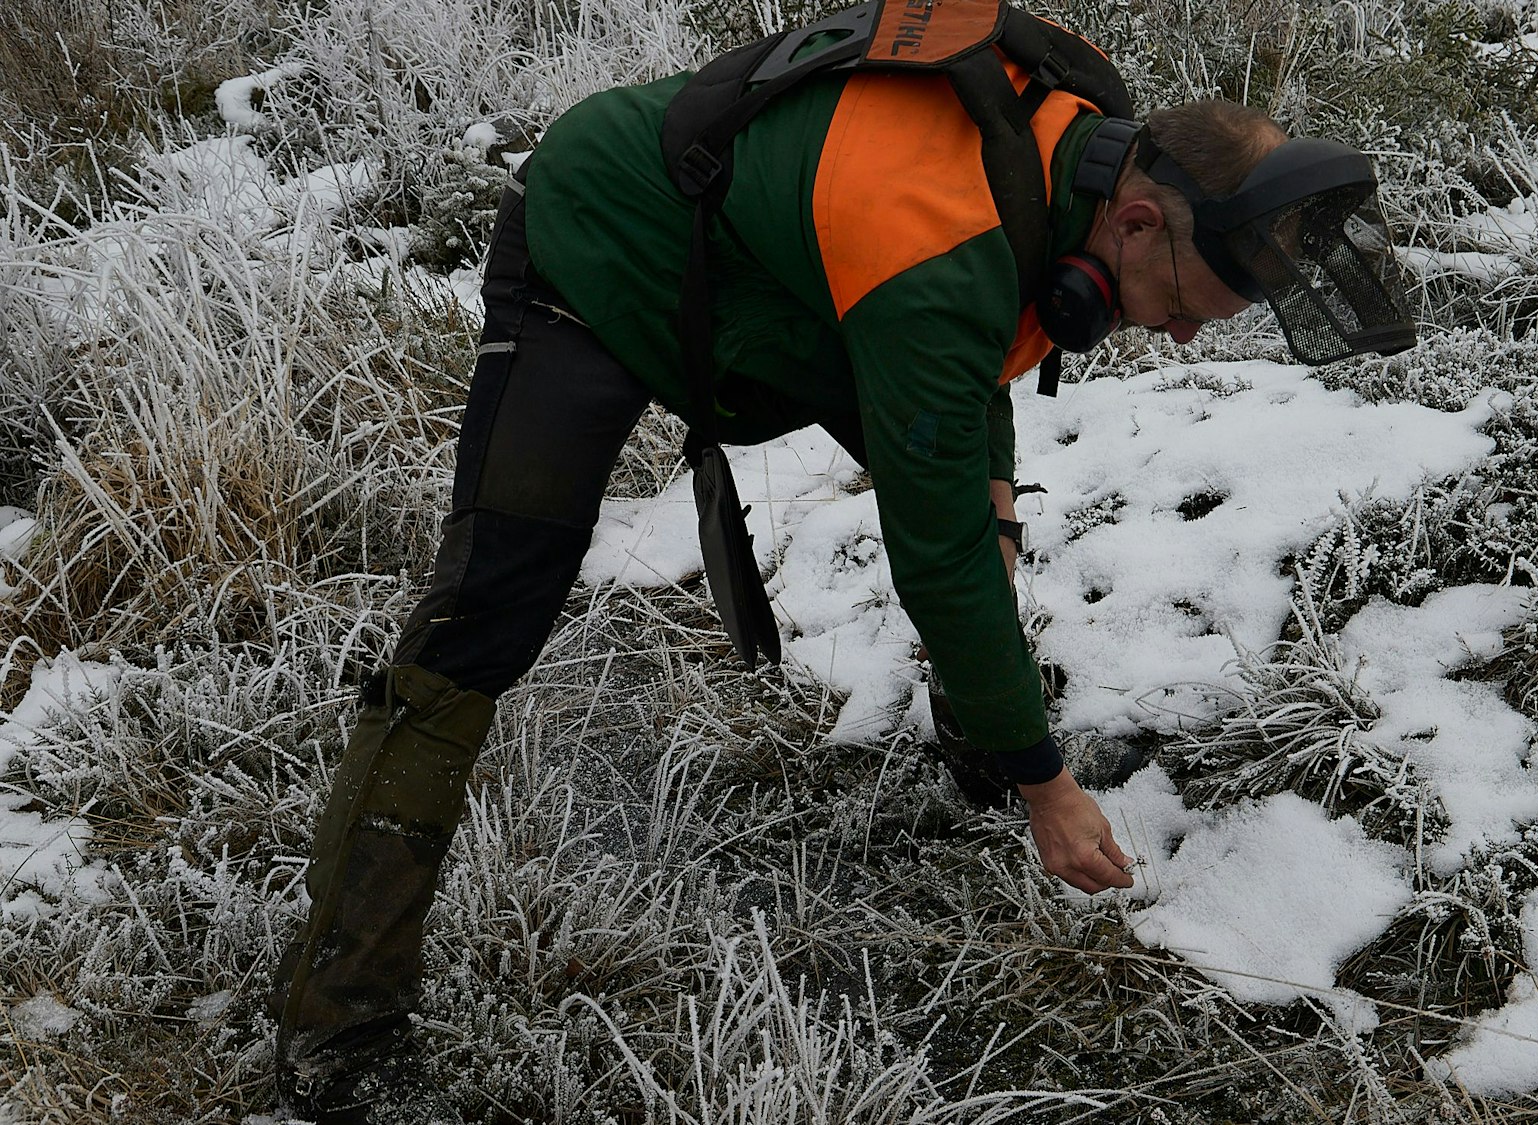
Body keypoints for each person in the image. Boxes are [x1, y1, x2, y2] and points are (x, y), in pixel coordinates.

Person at [270, 3, 1415, 1117]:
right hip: (601, 236)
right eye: (1182, 308)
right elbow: (938, 495)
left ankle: (976, 736)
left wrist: (996, 501)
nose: (1179, 336)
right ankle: (340, 1018)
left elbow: (983, 331)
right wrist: (1049, 788)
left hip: (777, 272)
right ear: (1133, 225)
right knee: (488, 615)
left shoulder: (1074, 137)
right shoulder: (933, 252)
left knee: (977, 513)